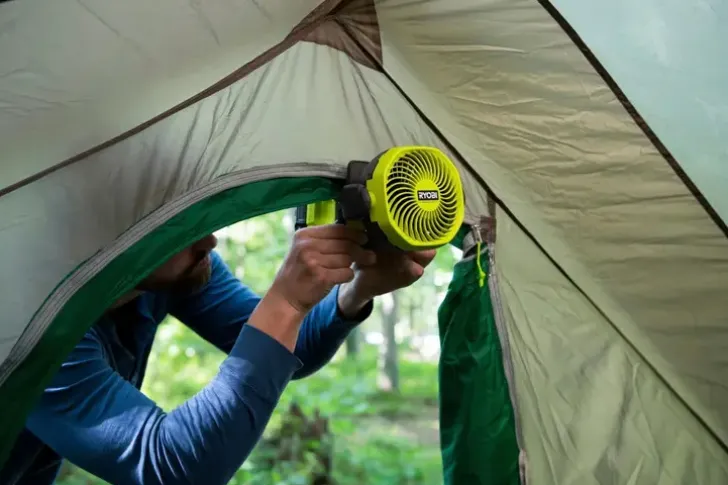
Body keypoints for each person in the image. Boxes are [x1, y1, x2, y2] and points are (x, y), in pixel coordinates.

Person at [0, 224, 435, 485]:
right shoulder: (27, 318)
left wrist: (358, 287)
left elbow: (290, 345)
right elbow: (170, 467)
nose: (210, 238)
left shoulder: (174, 269)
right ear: (121, 230)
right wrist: (286, 301)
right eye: (184, 224)